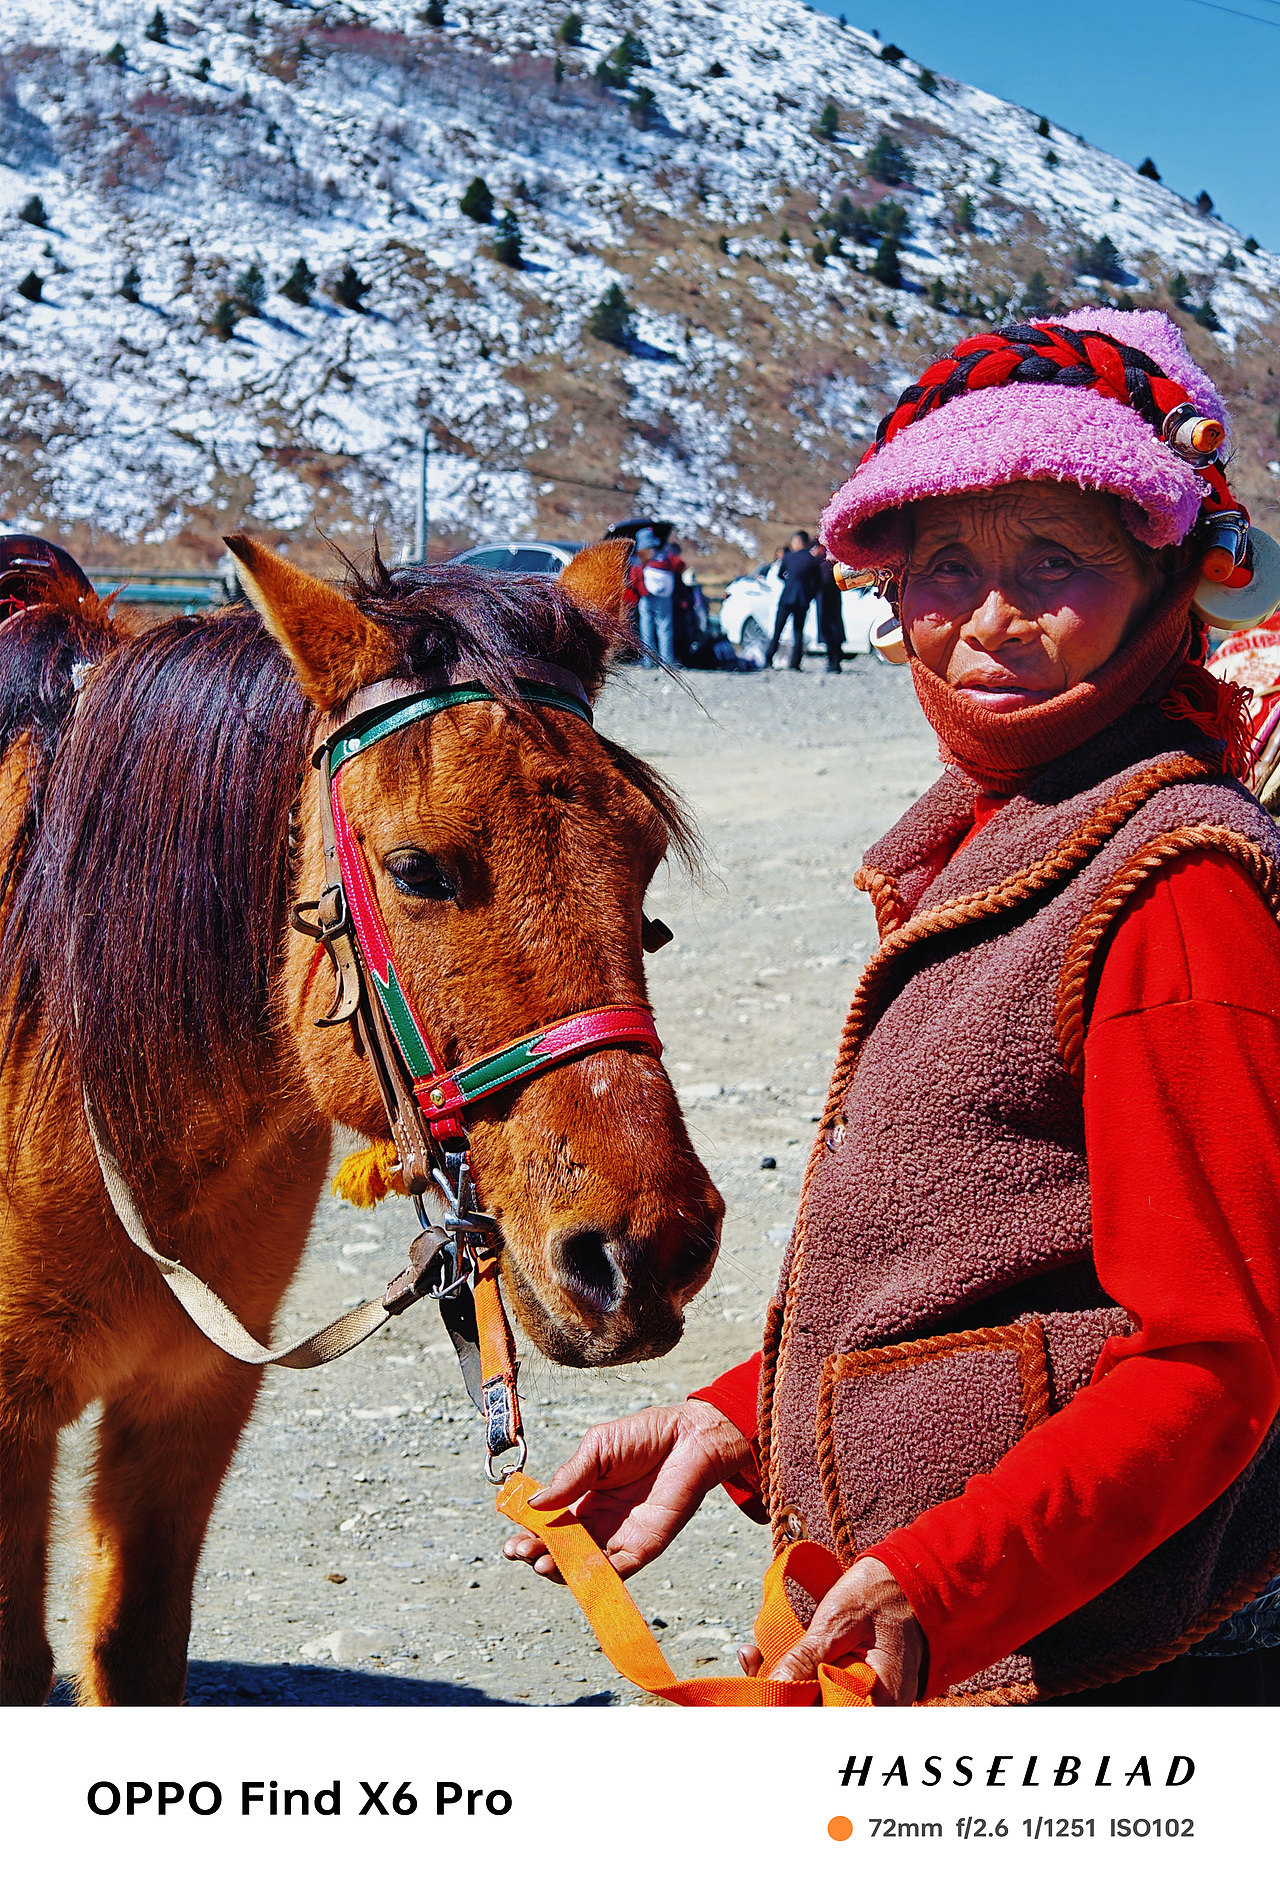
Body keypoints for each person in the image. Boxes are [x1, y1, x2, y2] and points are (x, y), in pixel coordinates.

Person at [506, 309, 1280, 1706]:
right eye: (946, 565)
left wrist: (959, 1570)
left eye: (1062, 559)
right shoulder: (1012, 828)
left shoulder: (1174, 886)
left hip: (1107, 1663)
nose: (992, 615)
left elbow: (1218, 1356)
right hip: (970, 1627)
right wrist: (735, 1417)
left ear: (1168, 581)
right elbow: (989, 1256)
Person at [765, 530, 820, 668]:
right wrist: (809, 595)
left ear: (798, 542)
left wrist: (789, 581)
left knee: (778, 629)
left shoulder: (788, 557)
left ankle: (768, 658)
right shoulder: (811, 560)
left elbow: (779, 574)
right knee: (798, 631)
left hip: (787, 597)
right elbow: (816, 582)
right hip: (802, 600)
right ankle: (795, 662)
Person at [629, 526, 676, 668]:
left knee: (646, 630)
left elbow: (633, 580)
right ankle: (667, 661)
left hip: (646, 597)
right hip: (664, 597)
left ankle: (649, 661)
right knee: (665, 628)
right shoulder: (664, 558)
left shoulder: (639, 561)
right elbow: (678, 566)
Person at [813, 545, 845, 671]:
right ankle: (834, 658)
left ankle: (834, 661)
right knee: (833, 628)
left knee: (829, 629)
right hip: (831, 599)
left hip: (826, 600)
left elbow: (825, 580)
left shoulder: (825, 563)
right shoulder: (832, 562)